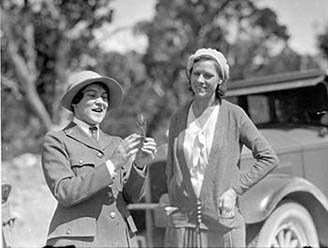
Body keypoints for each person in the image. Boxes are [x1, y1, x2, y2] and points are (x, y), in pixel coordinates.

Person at [164, 48, 279, 247]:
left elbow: (269, 157)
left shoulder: (235, 115)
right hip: (183, 226)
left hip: (222, 225)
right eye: (196, 73)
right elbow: (171, 169)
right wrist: (174, 203)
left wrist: (235, 190)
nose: (200, 80)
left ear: (219, 80)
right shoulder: (178, 118)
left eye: (208, 75)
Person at [41, 70, 157, 247]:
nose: (100, 102)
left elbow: (130, 197)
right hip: (78, 242)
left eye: (104, 97)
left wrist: (139, 164)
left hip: (120, 239)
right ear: (75, 102)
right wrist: (112, 164)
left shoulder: (115, 143)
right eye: (92, 95)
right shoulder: (57, 140)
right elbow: (65, 192)